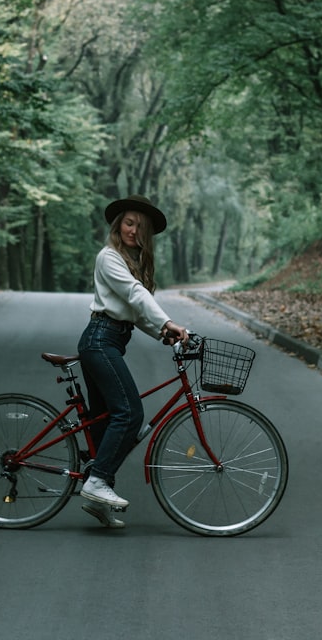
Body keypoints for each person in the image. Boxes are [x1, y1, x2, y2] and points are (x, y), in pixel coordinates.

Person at [77, 194, 189, 529]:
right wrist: (168, 322)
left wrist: (161, 332)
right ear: (118, 225)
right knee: (130, 413)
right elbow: (136, 296)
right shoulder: (109, 257)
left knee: (105, 425)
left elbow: (133, 311)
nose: (133, 231)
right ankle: (97, 482)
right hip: (99, 343)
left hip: (107, 342)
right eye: (129, 223)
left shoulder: (129, 260)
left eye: (140, 227)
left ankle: (97, 493)